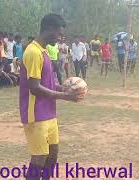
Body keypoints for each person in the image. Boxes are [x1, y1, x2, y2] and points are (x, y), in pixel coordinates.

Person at [20, 13, 85, 180]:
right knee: (39, 159)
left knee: (52, 154)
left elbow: (45, 84)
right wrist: (65, 96)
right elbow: (34, 88)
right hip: (36, 113)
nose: (61, 37)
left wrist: (63, 87)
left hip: (49, 113)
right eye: (59, 33)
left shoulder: (44, 51)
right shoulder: (33, 52)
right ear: (49, 29)